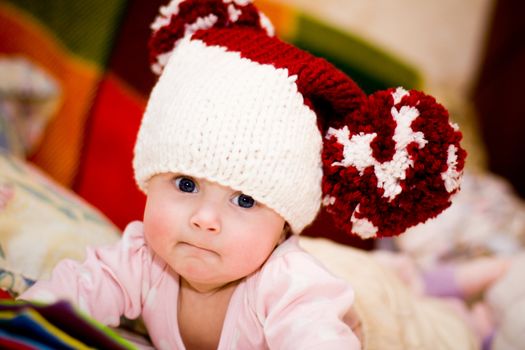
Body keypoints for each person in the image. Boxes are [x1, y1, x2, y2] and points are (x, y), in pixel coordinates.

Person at [19, 0, 468, 349]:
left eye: (245, 200)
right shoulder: (143, 258)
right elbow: (70, 295)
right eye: (186, 184)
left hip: (381, 312)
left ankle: (466, 296)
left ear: (281, 228)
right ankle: (424, 275)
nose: (204, 219)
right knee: (394, 272)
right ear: (149, 180)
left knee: (440, 321)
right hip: (344, 267)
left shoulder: (292, 289)